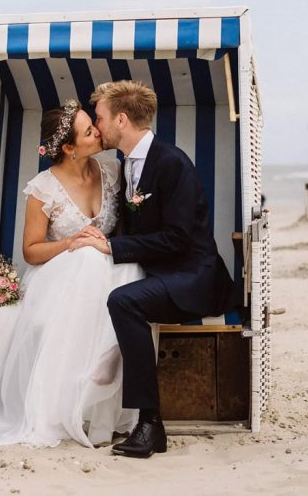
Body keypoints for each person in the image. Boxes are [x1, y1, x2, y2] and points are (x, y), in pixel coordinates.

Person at [0, 99, 144, 448]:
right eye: (89, 131)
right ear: (68, 148)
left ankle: (105, 360)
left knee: (132, 267)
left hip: (103, 266)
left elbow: (120, 231)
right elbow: (31, 252)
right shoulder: (43, 188)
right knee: (88, 260)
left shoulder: (111, 169)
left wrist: (100, 245)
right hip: (57, 274)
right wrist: (72, 242)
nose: (98, 132)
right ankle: (79, 384)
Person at [71, 80, 239, 458]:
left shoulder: (171, 162)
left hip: (192, 278)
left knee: (123, 302)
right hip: (157, 273)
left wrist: (112, 246)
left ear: (122, 119)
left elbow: (177, 239)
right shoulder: (127, 163)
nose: (97, 127)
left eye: (100, 118)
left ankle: (150, 424)